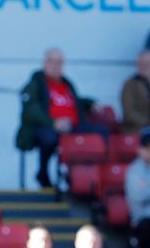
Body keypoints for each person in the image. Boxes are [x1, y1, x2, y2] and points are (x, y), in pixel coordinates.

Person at [17, 48, 107, 189]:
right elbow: (31, 110)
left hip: (72, 126)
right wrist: (53, 123)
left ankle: (94, 178)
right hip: (46, 126)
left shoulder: (66, 84)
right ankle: (43, 173)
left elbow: (74, 101)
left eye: (59, 62)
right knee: (50, 137)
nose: (55, 65)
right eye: (51, 61)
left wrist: (90, 103)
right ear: (44, 63)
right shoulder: (36, 83)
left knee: (100, 132)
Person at [128, 130, 150, 248]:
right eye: (147, 148)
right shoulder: (134, 170)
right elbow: (138, 196)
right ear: (140, 149)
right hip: (142, 217)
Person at [120, 50, 150, 134]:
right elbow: (129, 112)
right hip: (136, 129)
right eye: (142, 63)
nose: (145, 66)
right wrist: (147, 122)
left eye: (148, 63)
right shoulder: (130, 84)